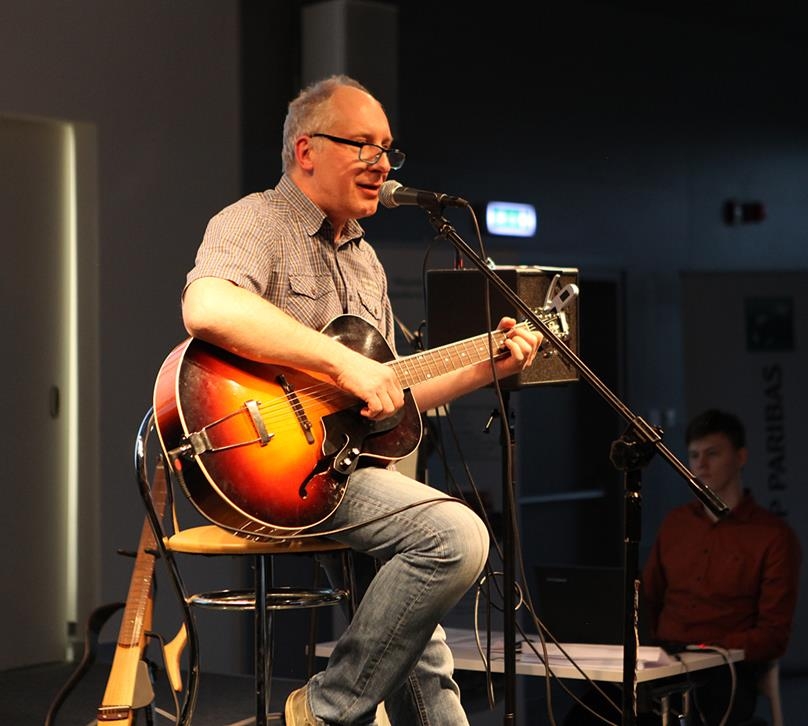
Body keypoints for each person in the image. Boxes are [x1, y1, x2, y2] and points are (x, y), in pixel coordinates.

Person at [180, 75, 543, 725]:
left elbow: (390, 387)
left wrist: (487, 366)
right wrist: (342, 363)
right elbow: (206, 306)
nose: (382, 164)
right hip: (265, 464)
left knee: (424, 654)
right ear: (307, 150)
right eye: (364, 145)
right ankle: (323, 712)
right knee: (454, 535)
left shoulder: (365, 260)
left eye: (388, 149)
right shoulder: (255, 221)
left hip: (346, 467)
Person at [641, 409, 801, 725]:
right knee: (592, 712)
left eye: (712, 453)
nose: (701, 464)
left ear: (740, 457)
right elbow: (647, 599)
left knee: (694, 712)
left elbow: (773, 634)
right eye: (694, 455)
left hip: (724, 667)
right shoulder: (676, 523)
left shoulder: (772, 536)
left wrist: (713, 650)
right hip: (666, 658)